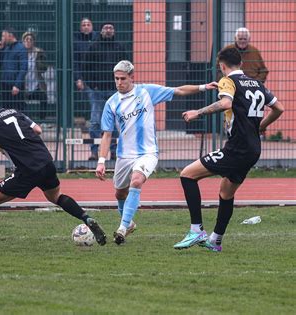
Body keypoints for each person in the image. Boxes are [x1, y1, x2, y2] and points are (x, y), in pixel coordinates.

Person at [0, 90, 107, 251]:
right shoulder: (13, 112)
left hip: (27, 169)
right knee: (56, 196)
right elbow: (37, 129)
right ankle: (86, 218)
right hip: (45, 160)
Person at [95, 60, 218, 245]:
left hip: (148, 152)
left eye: (123, 78)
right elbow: (106, 135)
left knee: (137, 180)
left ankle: (122, 227)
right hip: (124, 155)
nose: (119, 82)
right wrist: (102, 161)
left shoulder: (146, 92)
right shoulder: (111, 103)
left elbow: (178, 90)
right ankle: (128, 224)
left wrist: (203, 87)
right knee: (120, 194)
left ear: (132, 77)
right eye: (116, 79)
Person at [174, 47, 284, 252]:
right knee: (226, 192)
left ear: (222, 66)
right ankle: (215, 240)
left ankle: (196, 230)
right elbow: (279, 108)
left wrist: (197, 112)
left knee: (187, 175)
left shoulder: (228, 81)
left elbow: (225, 103)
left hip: (237, 148)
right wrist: (262, 126)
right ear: (241, 64)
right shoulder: (257, 83)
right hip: (253, 149)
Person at [83, 22, 127, 160]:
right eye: (106, 28)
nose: (108, 30)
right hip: (97, 90)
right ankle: (94, 151)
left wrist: (121, 86)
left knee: (115, 121)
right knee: (95, 121)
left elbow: (127, 68)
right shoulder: (93, 47)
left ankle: (114, 151)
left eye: (111, 28)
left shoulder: (119, 48)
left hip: (115, 91)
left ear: (114, 31)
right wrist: (93, 85)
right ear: (101, 31)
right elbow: (86, 68)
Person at [73, 18, 100, 124]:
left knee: (95, 100)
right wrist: (78, 78)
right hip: (83, 76)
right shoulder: (77, 41)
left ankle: (94, 122)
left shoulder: (97, 40)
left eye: (88, 24)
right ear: (80, 28)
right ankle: (88, 121)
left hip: (96, 76)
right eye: (83, 25)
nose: (86, 26)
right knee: (86, 100)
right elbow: (75, 62)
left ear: (92, 27)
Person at [0, 27, 28, 111]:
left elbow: (23, 68)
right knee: (6, 110)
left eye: (4, 36)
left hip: (14, 85)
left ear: (10, 36)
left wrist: (17, 85)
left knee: (17, 110)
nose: (2, 39)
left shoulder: (21, 48)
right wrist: (0, 50)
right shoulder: (6, 48)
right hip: (5, 85)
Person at [22, 31, 48, 119]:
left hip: (36, 85)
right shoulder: (20, 53)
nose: (28, 41)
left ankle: (42, 120)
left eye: (31, 39)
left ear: (33, 42)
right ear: (23, 41)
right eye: (26, 39)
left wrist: (40, 61)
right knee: (20, 100)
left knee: (43, 97)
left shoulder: (38, 53)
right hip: (23, 86)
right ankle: (26, 120)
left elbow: (45, 68)